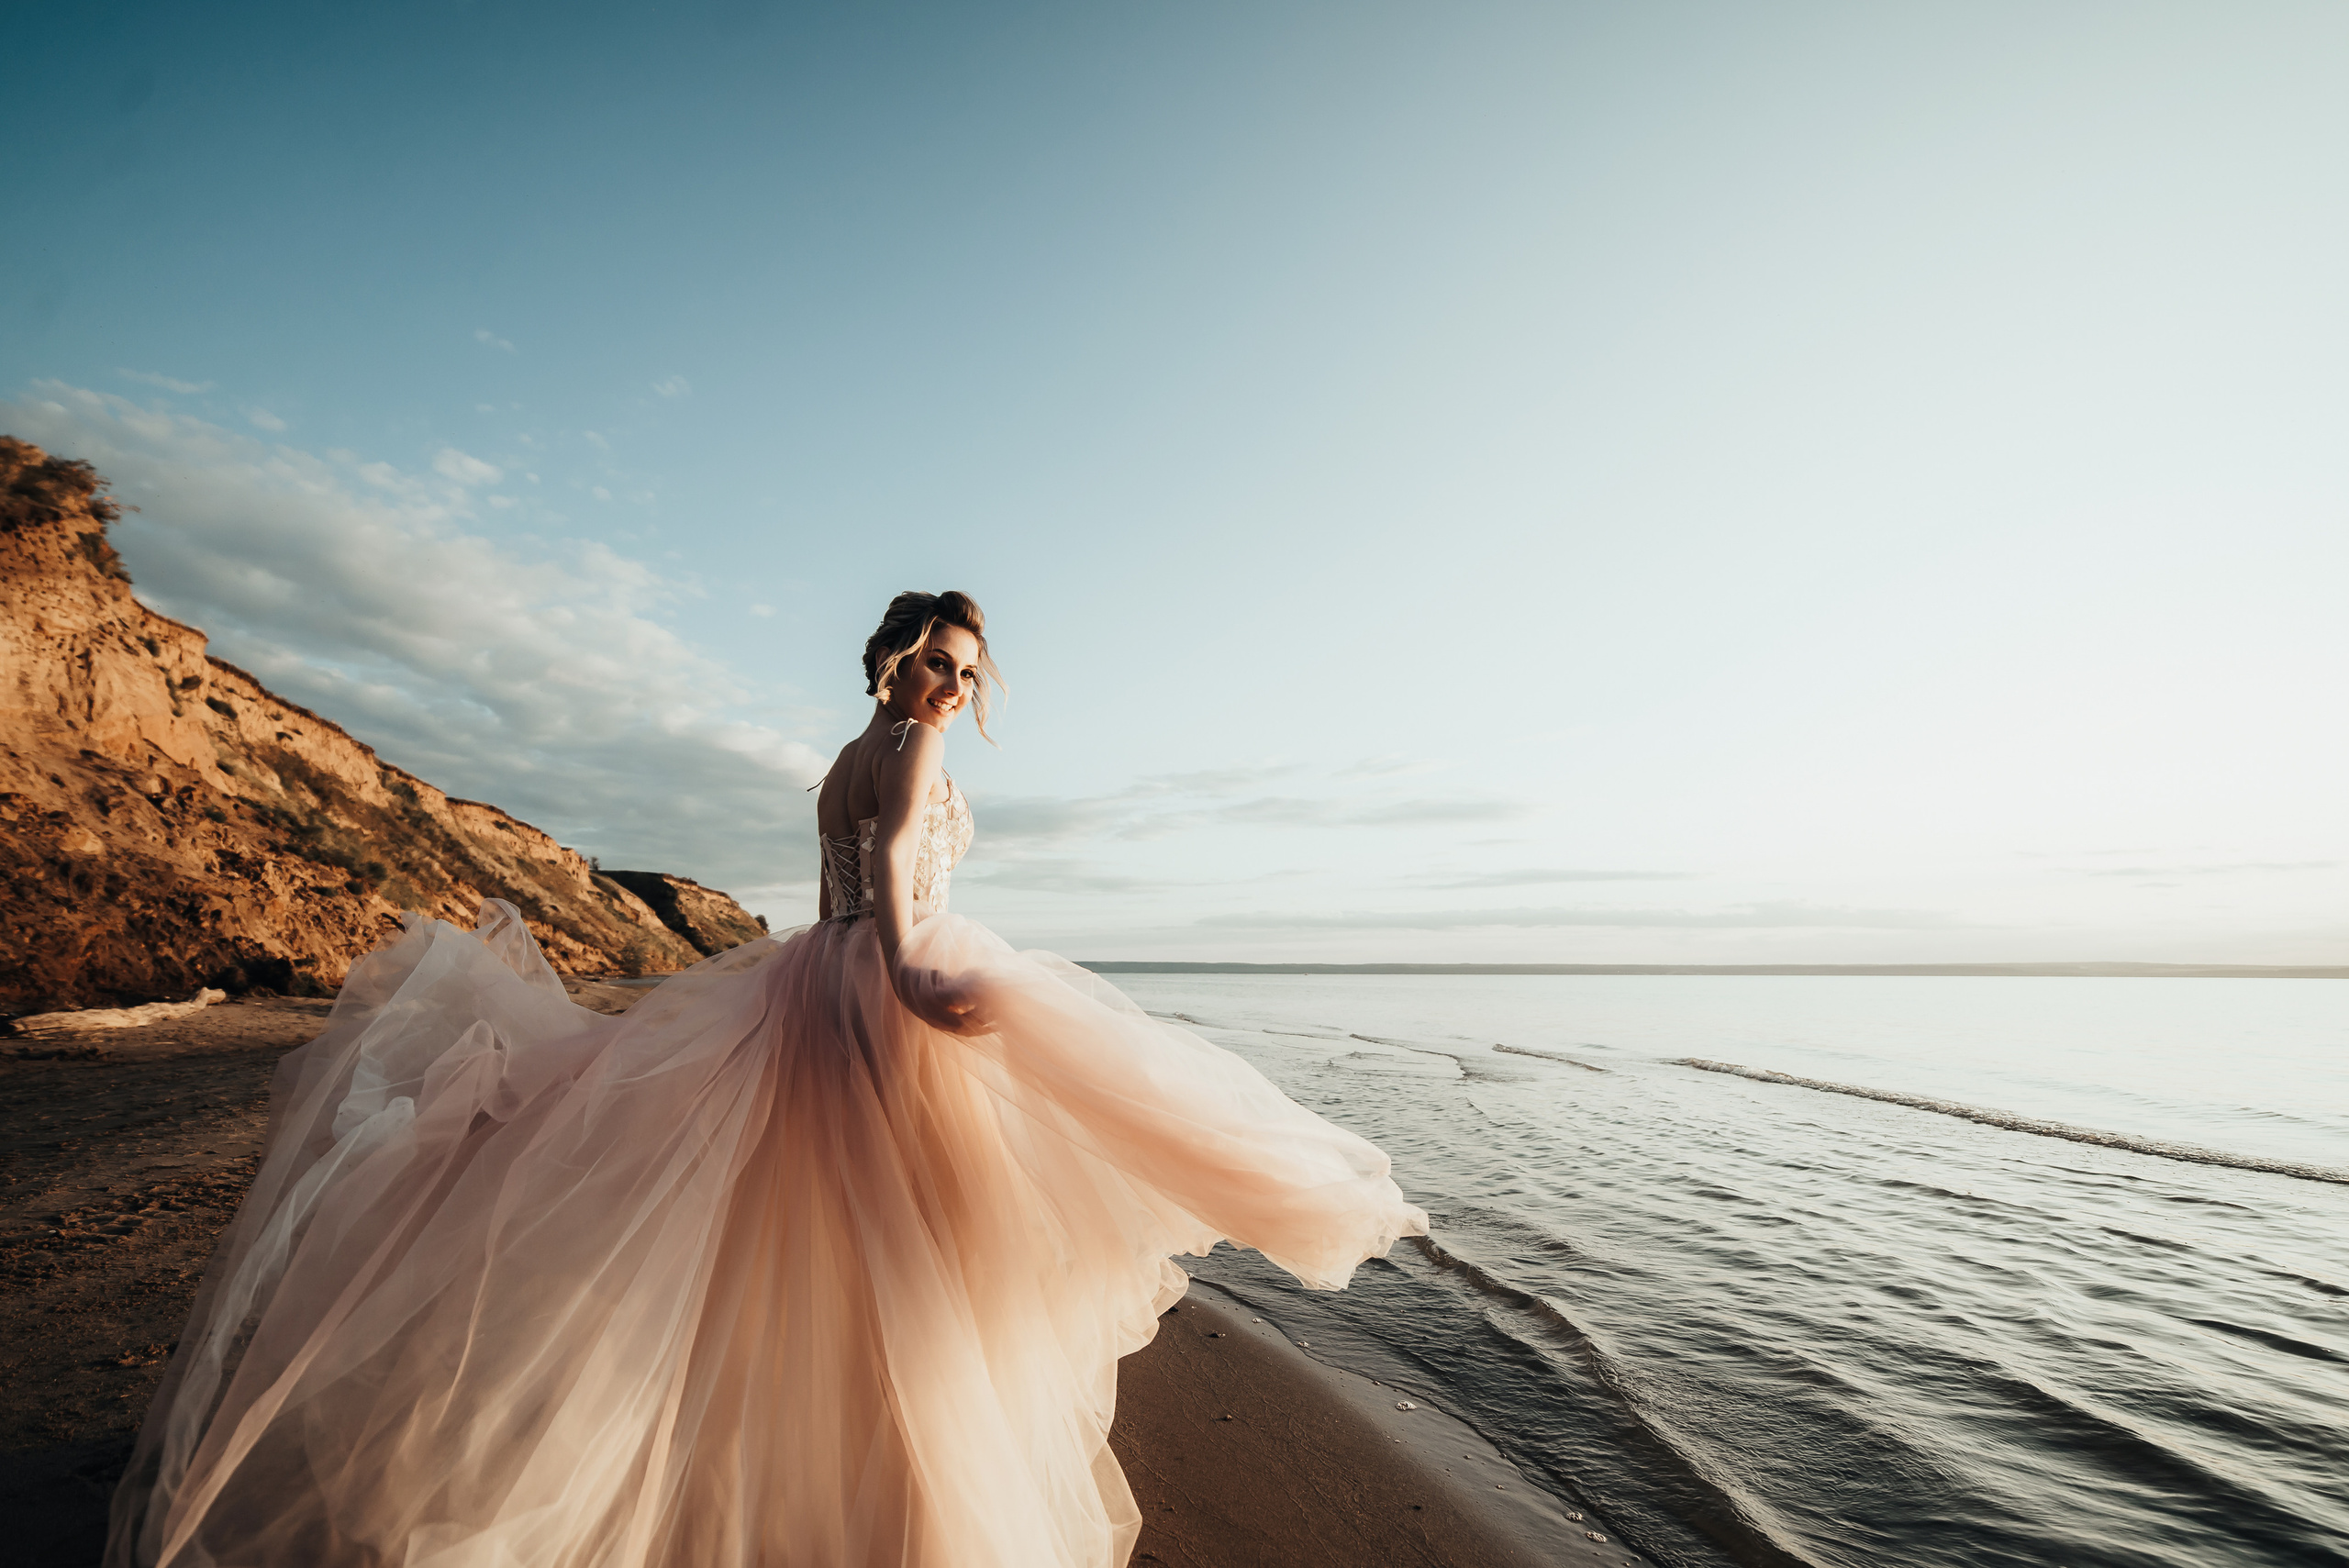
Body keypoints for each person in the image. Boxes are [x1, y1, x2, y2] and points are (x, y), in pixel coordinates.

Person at [106, 589, 1428, 1568]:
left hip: (817, 981)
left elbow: (834, 889)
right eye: (935, 659)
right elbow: (905, 862)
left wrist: (870, 960)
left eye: (967, 670)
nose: (952, 683)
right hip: (884, 985)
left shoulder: (835, 765)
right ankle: (901, 1511)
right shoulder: (908, 755)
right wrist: (913, 976)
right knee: (920, 1256)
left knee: (814, 1240)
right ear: (892, 657)